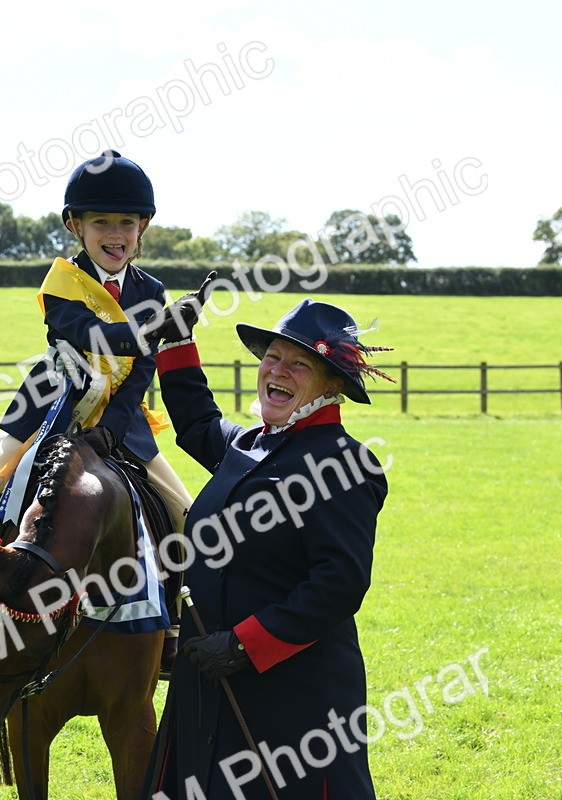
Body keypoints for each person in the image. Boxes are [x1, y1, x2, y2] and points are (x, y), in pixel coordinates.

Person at [0, 151, 195, 667]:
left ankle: (174, 618)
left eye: (127, 223)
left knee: (183, 511)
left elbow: (140, 372)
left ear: (144, 228)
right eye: (101, 223)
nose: (115, 234)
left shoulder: (151, 291)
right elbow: (88, 334)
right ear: (76, 226)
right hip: (51, 401)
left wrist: (112, 433)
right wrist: (151, 329)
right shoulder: (62, 281)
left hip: (122, 418)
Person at [141, 297, 394, 799]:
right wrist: (177, 343)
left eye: (300, 363)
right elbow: (197, 425)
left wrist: (243, 644)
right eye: (273, 357)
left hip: (291, 693)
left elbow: (338, 583)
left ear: (333, 386)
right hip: (210, 679)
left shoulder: (343, 464)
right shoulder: (251, 444)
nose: (278, 371)